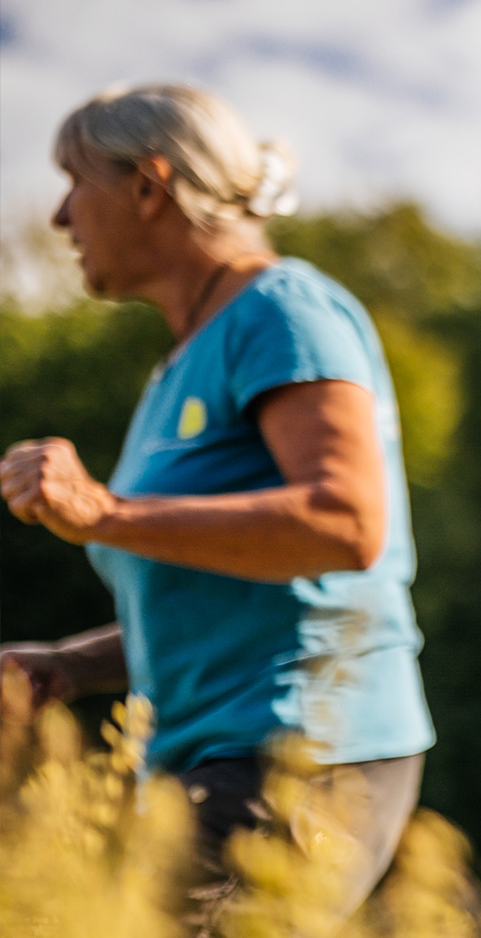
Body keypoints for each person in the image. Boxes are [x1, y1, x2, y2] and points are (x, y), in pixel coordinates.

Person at [0, 84, 435, 930]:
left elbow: (346, 525)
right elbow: (232, 592)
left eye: (74, 181)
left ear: (148, 186)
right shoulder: (184, 362)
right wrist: (73, 664)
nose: (59, 216)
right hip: (217, 761)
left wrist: (104, 514)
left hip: (301, 756)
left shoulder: (283, 312)